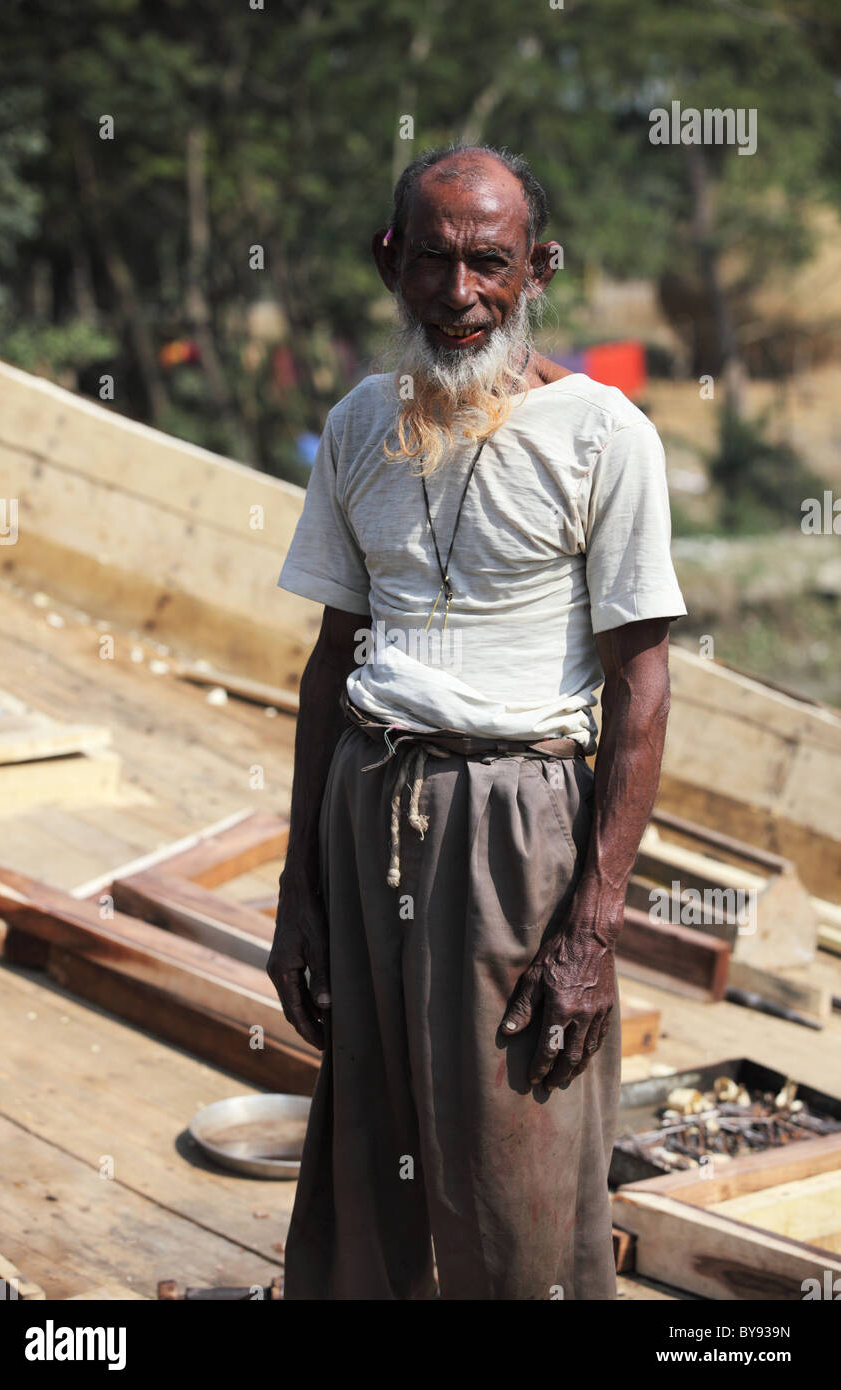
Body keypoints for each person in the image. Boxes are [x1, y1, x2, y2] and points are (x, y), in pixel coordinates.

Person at [270, 143, 687, 1300]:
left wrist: (589, 931)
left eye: (489, 265)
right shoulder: (357, 426)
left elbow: (641, 689)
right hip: (369, 806)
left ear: (536, 268)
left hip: (518, 826)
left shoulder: (604, 437)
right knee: (370, 1143)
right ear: (388, 262)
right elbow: (329, 663)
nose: (460, 296)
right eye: (434, 263)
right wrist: (299, 889)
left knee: (518, 1164)